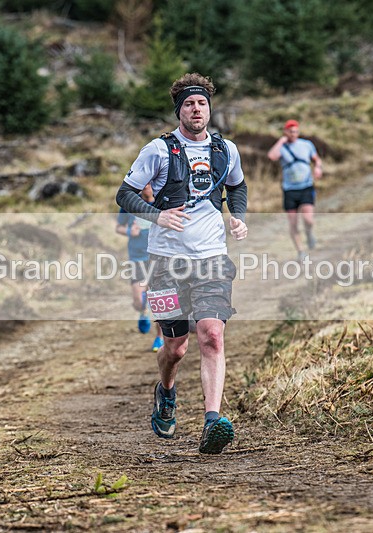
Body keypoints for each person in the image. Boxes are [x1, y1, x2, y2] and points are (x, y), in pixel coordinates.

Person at [115, 72, 248, 455]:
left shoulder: (227, 150)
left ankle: (212, 421)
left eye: (202, 103)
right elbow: (124, 195)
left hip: (211, 259)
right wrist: (157, 216)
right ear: (179, 110)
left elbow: (236, 186)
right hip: (165, 262)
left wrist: (236, 216)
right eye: (189, 103)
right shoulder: (158, 150)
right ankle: (166, 391)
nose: (196, 109)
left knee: (212, 334)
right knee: (175, 347)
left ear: (210, 108)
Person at [116, 183, 164, 352]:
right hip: (137, 257)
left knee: (159, 298)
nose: (146, 187)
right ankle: (143, 312)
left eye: (149, 184)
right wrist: (130, 231)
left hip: (157, 257)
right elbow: (119, 227)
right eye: (143, 184)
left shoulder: (162, 202)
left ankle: (160, 337)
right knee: (138, 300)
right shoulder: (130, 204)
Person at [267, 119, 323, 262]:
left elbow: (317, 159)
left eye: (296, 131)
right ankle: (300, 251)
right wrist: (281, 141)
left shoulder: (306, 145)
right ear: (286, 132)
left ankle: (309, 234)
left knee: (308, 220)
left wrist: (317, 167)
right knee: (293, 223)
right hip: (289, 190)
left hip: (306, 186)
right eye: (291, 132)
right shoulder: (282, 147)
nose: (294, 134)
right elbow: (272, 156)